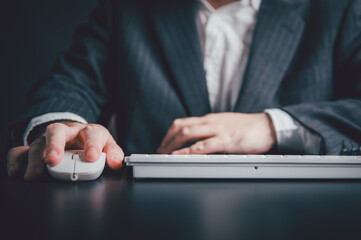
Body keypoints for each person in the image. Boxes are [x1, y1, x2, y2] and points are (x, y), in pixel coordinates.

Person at [7, 0, 361, 180]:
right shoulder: (127, 9)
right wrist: (67, 129)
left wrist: (272, 125)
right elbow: (71, 82)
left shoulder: (339, 9)